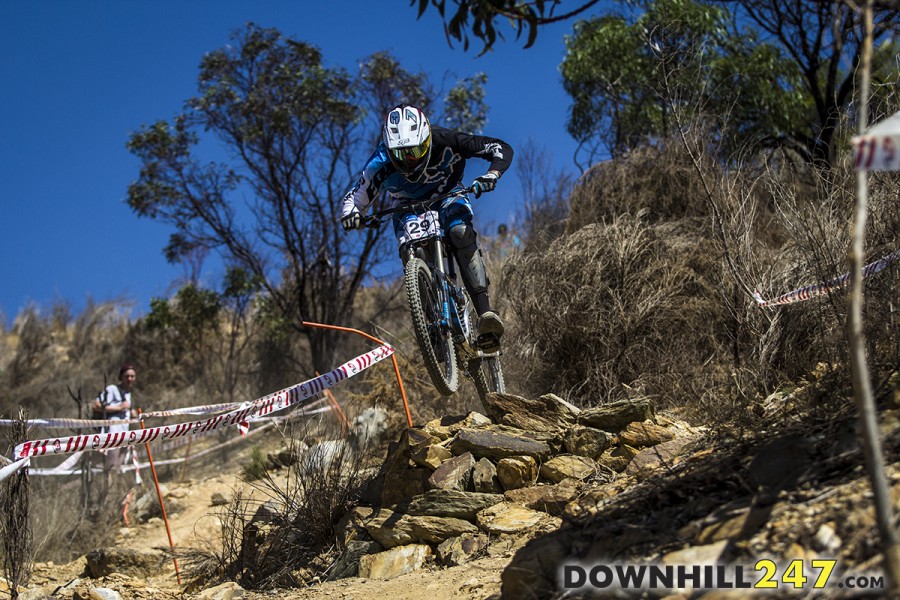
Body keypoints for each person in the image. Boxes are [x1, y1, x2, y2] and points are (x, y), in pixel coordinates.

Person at [340, 104, 513, 349]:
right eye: (401, 154)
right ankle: (431, 322)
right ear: (389, 150)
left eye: (416, 150)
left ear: (428, 138)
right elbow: (355, 197)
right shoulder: (379, 162)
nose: (409, 160)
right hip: (407, 206)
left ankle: (485, 314)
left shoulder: (447, 140)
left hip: (449, 194)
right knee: (413, 252)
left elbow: (500, 147)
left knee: (459, 232)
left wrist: (491, 174)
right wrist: (351, 215)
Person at [91, 363, 136, 471]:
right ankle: (105, 487)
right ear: (121, 377)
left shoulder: (128, 393)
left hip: (125, 434)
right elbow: (96, 405)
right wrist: (119, 408)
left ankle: (115, 488)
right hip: (112, 434)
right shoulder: (112, 389)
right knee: (110, 468)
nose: (129, 379)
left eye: (132, 376)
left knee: (117, 468)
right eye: (127, 376)